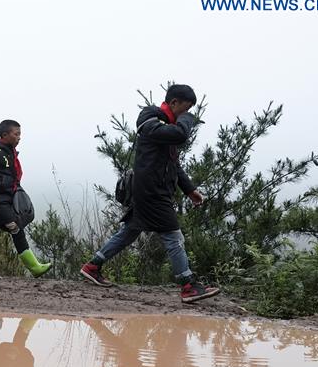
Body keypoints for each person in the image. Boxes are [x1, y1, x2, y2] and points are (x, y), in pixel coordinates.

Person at [80, 84, 220, 303]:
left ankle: (93, 266)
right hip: (151, 192)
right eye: (185, 108)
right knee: (174, 236)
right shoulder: (150, 118)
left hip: (152, 190)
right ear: (173, 103)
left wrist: (190, 190)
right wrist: (188, 120)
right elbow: (181, 134)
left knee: (130, 231)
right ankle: (188, 285)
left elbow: (174, 164)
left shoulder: (168, 128)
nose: (187, 113)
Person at [0, 120, 52, 277]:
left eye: (20, 134)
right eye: (16, 134)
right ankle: (34, 267)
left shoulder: (10, 153)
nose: (20, 137)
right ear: (5, 135)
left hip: (4, 200)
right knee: (15, 227)